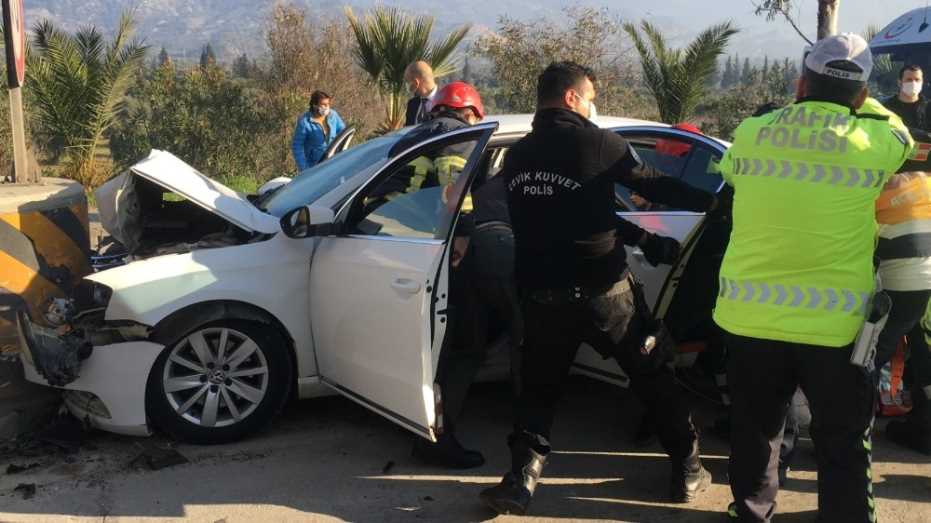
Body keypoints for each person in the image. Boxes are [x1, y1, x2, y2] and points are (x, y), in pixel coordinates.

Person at [479, 61, 720, 516]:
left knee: (538, 391)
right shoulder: (598, 143)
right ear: (571, 97)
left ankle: (520, 481)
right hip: (605, 294)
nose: (593, 105)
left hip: (543, 298)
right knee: (652, 376)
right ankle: (688, 469)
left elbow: (576, 215)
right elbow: (654, 185)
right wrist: (715, 201)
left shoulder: (519, 156)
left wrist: (642, 237)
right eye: (590, 96)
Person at [715, 34, 913, 523]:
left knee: (755, 431)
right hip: (835, 329)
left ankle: (751, 512)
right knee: (842, 436)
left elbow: (731, 174)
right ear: (861, 94)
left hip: (750, 317)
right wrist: (865, 107)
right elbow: (902, 136)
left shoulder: (753, 131)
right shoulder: (874, 141)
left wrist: (791, 114)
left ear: (801, 83)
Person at [291, 91, 346, 171]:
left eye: (328, 104)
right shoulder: (304, 122)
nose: (327, 107)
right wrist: (304, 168)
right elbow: (297, 146)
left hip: (334, 162)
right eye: (324, 104)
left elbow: (343, 132)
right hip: (315, 166)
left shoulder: (333, 115)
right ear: (315, 105)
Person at [883, 65, 930, 132]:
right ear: (899, 83)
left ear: (922, 82)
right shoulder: (886, 108)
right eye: (909, 80)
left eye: (917, 80)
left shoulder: (928, 107)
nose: (913, 83)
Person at [404, 61, 439, 126]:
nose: (407, 86)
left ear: (416, 83)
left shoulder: (447, 100)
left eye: (407, 82)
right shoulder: (412, 104)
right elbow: (409, 128)